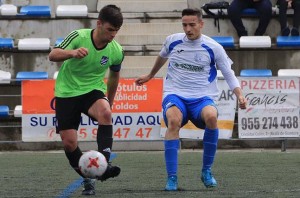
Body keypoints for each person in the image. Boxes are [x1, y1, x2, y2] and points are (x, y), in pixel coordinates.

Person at [135, 8, 247, 191]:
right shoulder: (173, 40)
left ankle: (206, 171)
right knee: (173, 120)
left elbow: (228, 73)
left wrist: (240, 95)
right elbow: (162, 56)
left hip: (202, 97)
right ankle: (172, 178)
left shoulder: (214, 48)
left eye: (192, 25)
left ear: (201, 24)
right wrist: (150, 75)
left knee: (211, 117)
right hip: (175, 94)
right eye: (184, 24)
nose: (188, 29)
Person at [48, 4, 124, 196]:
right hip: (67, 92)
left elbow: (114, 76)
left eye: (116, 31)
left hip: (92, 89)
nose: (113, 35)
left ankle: (105, 165)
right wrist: (72, 53)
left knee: (106, 112)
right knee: (69, 143)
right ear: (99, 24)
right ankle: (87, 177)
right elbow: (53, 54)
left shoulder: (116, 51)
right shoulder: (79, 36)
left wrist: (110, 102)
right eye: (110, 30)